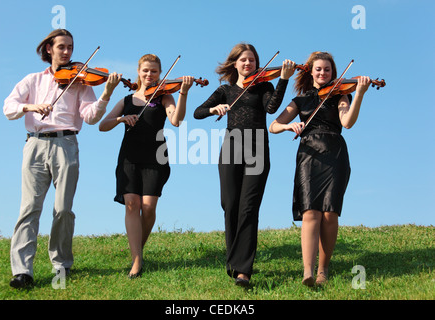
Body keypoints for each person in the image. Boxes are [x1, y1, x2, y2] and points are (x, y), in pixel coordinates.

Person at [3, 29, 121, 289]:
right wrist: (31, 107)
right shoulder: (32, 80)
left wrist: (106, 93)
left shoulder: (80, 82)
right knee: (29, 208)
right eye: (62, 47)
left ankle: (61, 264)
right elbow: (8, 107)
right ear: (49, 49)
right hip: (34, 143)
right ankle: (22, 271)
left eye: (70, 47)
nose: (67, 52)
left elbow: (90, 117)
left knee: (63, 209)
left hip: (66, 144)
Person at [194, 43, 294, 286]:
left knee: (249, 207)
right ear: (235, 63)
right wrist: (212, 109)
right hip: (231, 145)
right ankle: (233, 260)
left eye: (251, 60)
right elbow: (197, 112)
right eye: (243, 60)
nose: (248, 63)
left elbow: (272, 108)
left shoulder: (264, 86)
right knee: (230, 204)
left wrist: (283, 79)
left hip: (257, 145)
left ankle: (243, 270)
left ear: (256, 64)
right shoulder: (225, 89)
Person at [269, 51, 371, 286]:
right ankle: (308, 272)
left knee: (329, 212)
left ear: (333, 73)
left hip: (334, 152)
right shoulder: (301, 100)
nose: (323, 73)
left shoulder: (341, 95)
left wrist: (360, 94)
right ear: (310, 72)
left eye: (327, 69)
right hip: (308, 154)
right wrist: (287, 127)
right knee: (310, 212)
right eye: (318, 69)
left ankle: (323, 270)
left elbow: (347, 122)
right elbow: (274, 124)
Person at [99, 54, 193, 278]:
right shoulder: (127, 100)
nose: (150, 75)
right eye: (146, 71)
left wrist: (184, 93)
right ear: (139, 72)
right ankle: (137, 260)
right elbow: (103, 125)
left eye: (154, 71)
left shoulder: (164, 97)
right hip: (129, 157)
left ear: (160, 74)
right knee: (132, 204)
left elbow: (176, 120)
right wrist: (121, 119)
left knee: (148, 207)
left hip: (156, 156)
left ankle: (137, 250)